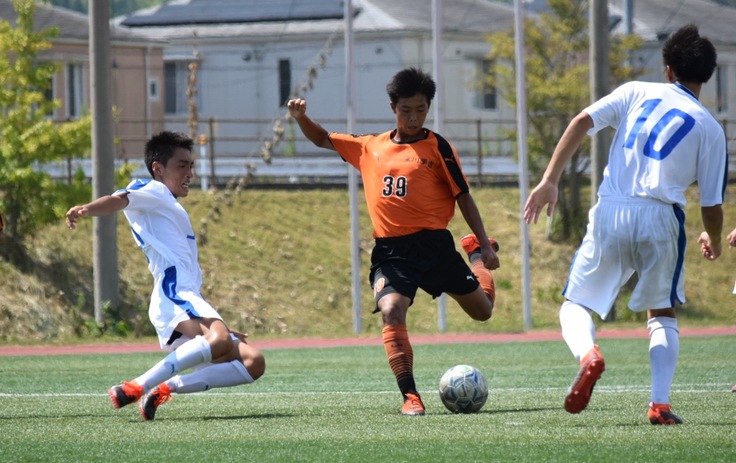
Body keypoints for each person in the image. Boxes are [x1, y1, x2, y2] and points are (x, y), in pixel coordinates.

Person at [523, 24, 726, 425]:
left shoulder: (636, 91)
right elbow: (712, 203)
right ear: (707, 76)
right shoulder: (709, 127)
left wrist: (549, 180)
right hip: (661, 216)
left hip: (612, 208)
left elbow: (581, 120)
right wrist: (714, 240)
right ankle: (659, 404)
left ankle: (588, 354)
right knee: (662, 313)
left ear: (667, 69)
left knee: (576, 304)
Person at [287, 67, 499, 416]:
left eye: (420, 110)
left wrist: (485, 246)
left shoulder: (438, 148)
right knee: (391, 310)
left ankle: (474, 256)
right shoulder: (370, 147)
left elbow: (463, 196)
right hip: (392, 252)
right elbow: (323, 139)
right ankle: (410, 396)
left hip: (435, 248)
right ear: (392, 108)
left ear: (428, 107)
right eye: (406, 111)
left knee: (483, 312)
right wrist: (301, 118)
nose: (413, 118)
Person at [66, 131, 265, 420]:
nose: (190, 173)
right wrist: (87, 209)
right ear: (158, 168)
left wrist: (212, 325)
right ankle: (135, 386)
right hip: (174, 290)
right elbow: (118, 199)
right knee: (220, 339)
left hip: (185, 295)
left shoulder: (167, 204)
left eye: (192, 166)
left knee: (253, 362)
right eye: (181, 165)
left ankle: (162, 389)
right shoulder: (152, 190)